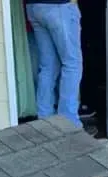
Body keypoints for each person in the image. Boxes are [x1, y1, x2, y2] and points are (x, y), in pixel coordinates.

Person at [25, 0, 83, 128]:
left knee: (48, 67)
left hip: (34, 7)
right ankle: (68, 122)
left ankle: (44, 120)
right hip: (59, 6)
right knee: (72, 64)